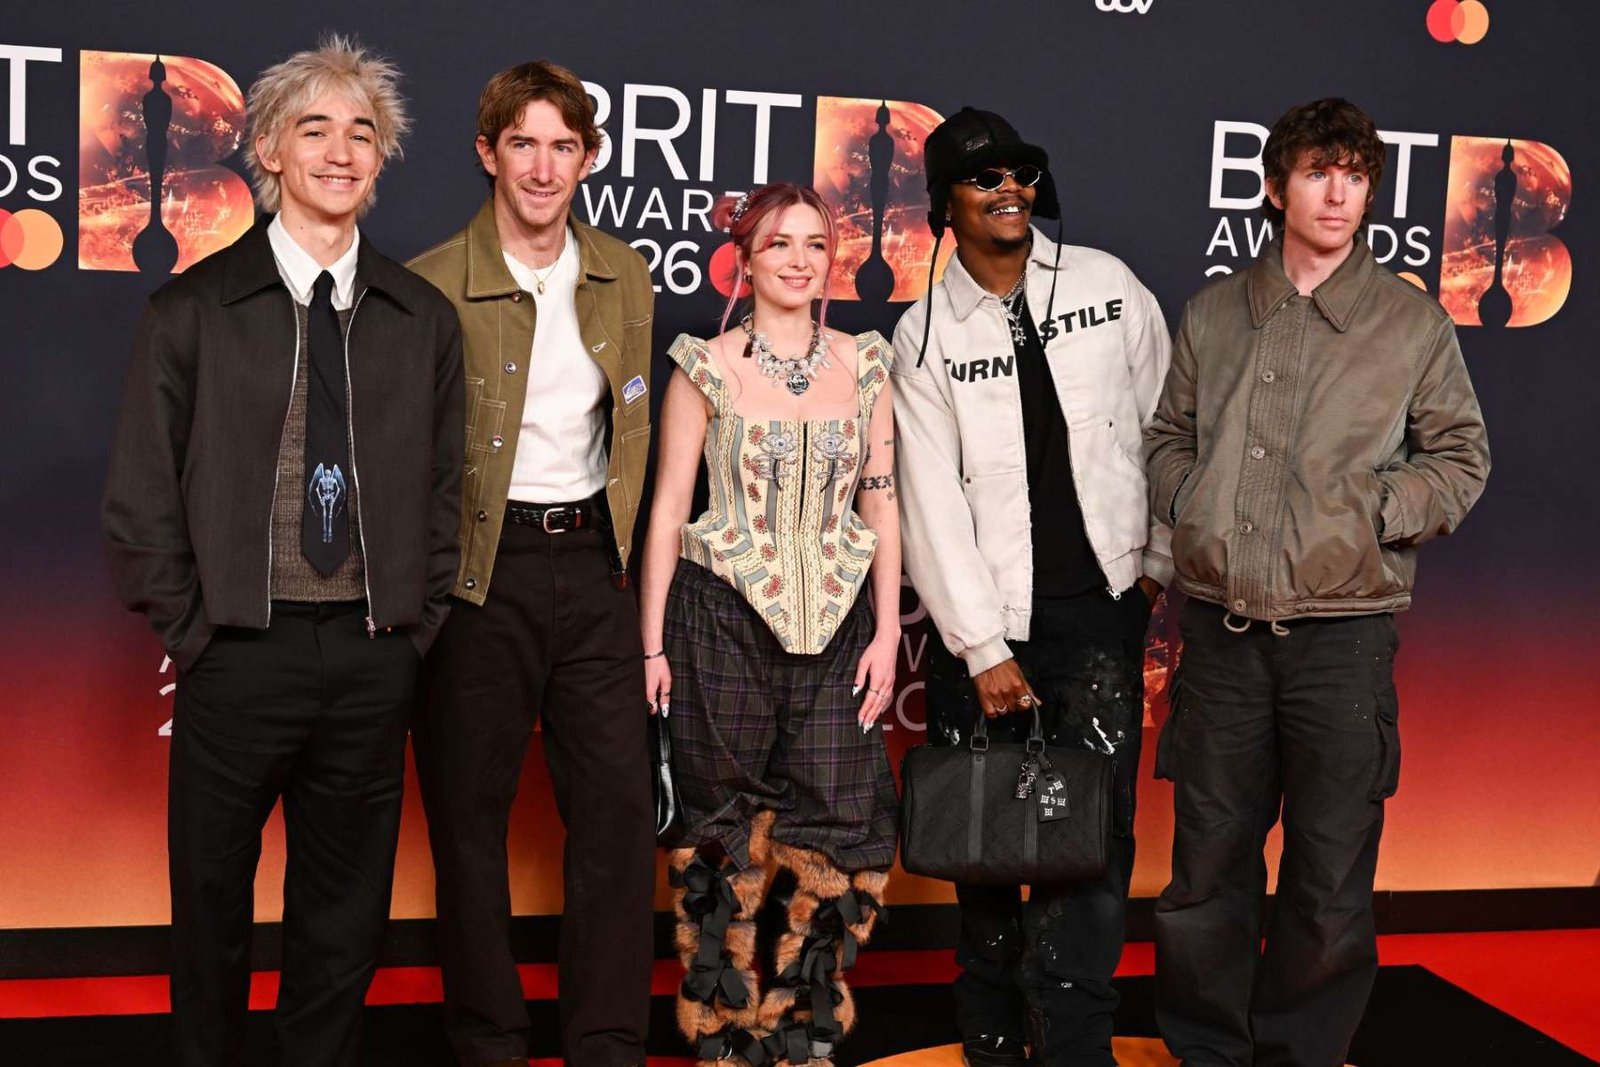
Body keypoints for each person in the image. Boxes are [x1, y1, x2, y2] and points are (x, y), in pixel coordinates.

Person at [101, 35, 463, 1067]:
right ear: (267, 148)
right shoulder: (193, 309)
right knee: (210, 903)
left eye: (362, 133)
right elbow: (138, 496)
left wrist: (412, 626)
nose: (340, 151)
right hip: (236, 654)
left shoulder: (419, 318)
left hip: (368, 654)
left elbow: (447, 491)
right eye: (315, 129)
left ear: (382, 159)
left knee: (342, 916)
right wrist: (197, 629)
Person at [1145, 97, 1490, 1067]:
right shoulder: (1214, 313)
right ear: (1273, 186)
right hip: (1219, 636)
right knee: (1205, 868)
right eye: (1315, 170)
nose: (1337, 190)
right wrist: (1201, 501)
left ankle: (1301, 1050)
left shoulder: (1411, 323)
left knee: (1329, 871)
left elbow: (1460, 458)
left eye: (1354, 172)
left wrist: (1365, 513)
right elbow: (1166, 440)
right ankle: (1205, 1049)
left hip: (1343, 640)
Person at [892, 107, 1173, 1067]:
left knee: (1091, 852)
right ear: (946, 205)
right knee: (987, 851)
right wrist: (980, 648)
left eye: (1019, 171)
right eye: (983, 178)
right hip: (991, 632)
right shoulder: (921, 335)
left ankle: (1077, 1049)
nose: (1008, 188)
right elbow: (928, 501)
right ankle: (995, 1045)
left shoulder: (1106, 283)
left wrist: (1155, 572)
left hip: (1102, 614)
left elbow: (1165, 432)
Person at [406, 60, 656, 1067]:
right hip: (480, 573)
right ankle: (489, 1037)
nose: (543, 167)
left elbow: (633, 430)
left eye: (563, 145)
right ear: (487, 152)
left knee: (616, 816)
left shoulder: (624, 273)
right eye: (523, 143)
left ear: (588, 158)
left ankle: (604, 1037)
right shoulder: (428, 284)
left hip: (593, 566)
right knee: (468, 819)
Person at [638, 182, 901, 1067]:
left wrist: (889, 629)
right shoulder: (705, 366)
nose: (798, 258)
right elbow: (669, 509)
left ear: (833, 259)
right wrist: (652, 646)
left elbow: (882, 500)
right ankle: (719, 1029)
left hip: (838, 624)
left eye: (814, 244)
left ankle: (805, 1027)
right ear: (743, 259)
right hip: (719, 619)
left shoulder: (865, 364)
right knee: (718, 826)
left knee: (843, 828)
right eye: (778, 243)